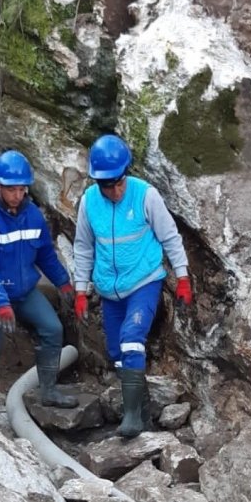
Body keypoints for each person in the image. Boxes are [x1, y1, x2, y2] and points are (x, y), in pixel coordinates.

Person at [72, 133, 192, 438]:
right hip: (109, 290)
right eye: (107, 185)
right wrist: (81, 290)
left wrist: (182, 277)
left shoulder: (145, 196)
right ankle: (145, 413)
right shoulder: (89, 202)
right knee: (116, 353)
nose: (115, 191)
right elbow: (83, 247)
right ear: (97, 181)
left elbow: (170, 237)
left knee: (131, 339)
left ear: (127, 173)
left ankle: (132, 418)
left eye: (119, 182)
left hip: (143, 282)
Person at [0, 150, 78, 411]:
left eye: (22, 189)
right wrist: (0, 303)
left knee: (53, 329)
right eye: (11, 189)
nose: (17, 195)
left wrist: (62, 282)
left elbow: (45, 254)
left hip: (24, 292)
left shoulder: (33, 215)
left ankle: (48, 391)